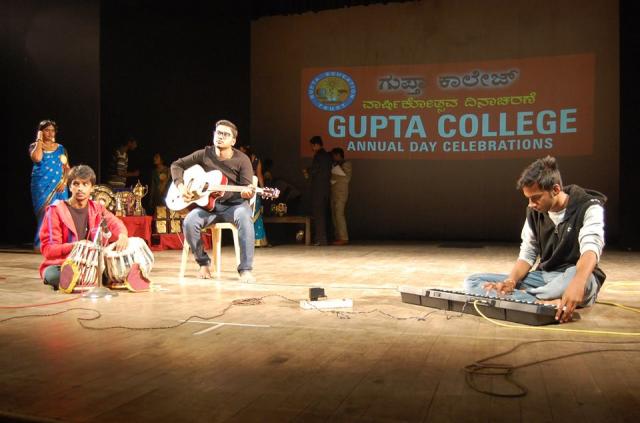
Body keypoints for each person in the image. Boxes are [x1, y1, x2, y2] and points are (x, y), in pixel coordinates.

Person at [463, 156, 606, 323]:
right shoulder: (533, 212)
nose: (531, 204)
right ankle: (542, 303)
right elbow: (528, 253)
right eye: (528, 199)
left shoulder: (588, 207)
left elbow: (591, 249)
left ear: (555, 189)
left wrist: (578, 282)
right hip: (544, 277)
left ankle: (524, 299)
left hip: (576, 276)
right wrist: (510, 281)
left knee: (578, 276)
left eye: (536, 197)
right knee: (473, 281)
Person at [171, 119, 256, 281]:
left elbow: (247, 189)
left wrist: (247, 194)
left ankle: (245, 269)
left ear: (233, 141)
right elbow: (176, 165)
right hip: (208, 206)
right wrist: (181, 187)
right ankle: (203, 263)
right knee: (189, 221)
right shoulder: (204, 154)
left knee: (245, 218)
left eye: (226, 134)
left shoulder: (242, 159)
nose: (221, 136)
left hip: (235, 205)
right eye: (218, 133)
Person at [39, 165, 129, 291]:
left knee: (121, 270)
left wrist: (123, 235)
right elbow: (49, 250)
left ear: (92, 188)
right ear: (70, 186)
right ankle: (88, 279)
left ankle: (87, 279)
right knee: (54, 275)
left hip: (91, 263)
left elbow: (115, 223)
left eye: (85, 184)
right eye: (76, 184)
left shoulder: (97, 208)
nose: (80, 188)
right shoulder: (56, 210)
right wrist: (76, 246)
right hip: (62, 264)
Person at [29, 119, 70, 249]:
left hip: (60, 186)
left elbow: (67, 168)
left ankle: (58, 242)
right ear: (41, 132)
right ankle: (42, 243)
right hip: (41, 184)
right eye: (47, 130)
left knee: (61, 212)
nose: (50, 133)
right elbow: (37, 158)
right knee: (44, 213)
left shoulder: (61, 148)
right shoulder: (34, 146)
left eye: (52, 130)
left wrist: (64, 182)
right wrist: (39, 140)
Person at [239, 145, 270, 247]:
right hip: (240, 189)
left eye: (242, 149)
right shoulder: (238, 158)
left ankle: (258, 240)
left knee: (255, 213)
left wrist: (262, 189)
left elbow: (259, 175)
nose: (241, 151)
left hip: (253, 188)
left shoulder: (255, 160)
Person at [304, 136, 332, 246]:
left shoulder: (318, 156)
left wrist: (307, 171)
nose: (311, 148)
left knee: (318, 214)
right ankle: (325, 238)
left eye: (312, 146)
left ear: (316, 145)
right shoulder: (328, 156)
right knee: (325, 213)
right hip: (326, 189)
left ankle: (321, 239)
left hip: (318, 189)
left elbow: (315, 170)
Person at [330, 147, 352, 246]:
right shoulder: (334, 164)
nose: (333, 158)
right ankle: (338, 236)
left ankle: (344, 238)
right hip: (333, 192)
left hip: (341, 193)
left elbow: (346, 178)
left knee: (339, 214)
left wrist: (333, 175)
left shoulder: (347, 164)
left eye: (334, 156)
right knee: (334, 215)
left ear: (338, 155)